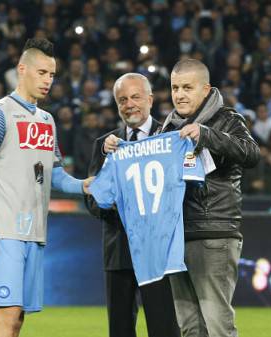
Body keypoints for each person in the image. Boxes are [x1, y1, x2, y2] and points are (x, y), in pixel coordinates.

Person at [104, 59, 260, 337]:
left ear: (205, 89)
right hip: (176, 237)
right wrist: (117, 149)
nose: (180, 94)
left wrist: (207, 135)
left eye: (187, 87)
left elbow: (251, 153)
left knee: (217, 325)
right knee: (189, 326)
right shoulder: (169, 128)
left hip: (213, 232)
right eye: (175, 88)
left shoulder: (227, 118)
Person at [0, 38, 93, 337]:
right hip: (3, 229)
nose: (48, 80)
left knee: (18, 317)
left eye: (52, 75)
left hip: (34, 232)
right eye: (42, 72)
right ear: (22, 69)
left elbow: (55, 176)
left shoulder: (47, 121)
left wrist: (85, 186)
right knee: (7, 315)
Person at [85, 73, 180, 337]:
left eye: (136, 97)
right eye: (122, 99)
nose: (130, 104)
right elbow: (92, 200)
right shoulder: (104, 146)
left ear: (150, 99)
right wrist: (123, 206)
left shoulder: (171, 137)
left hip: (159, 252)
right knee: (120, 330)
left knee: (164, 329)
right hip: (119, 252)